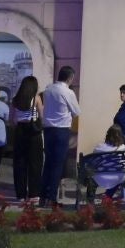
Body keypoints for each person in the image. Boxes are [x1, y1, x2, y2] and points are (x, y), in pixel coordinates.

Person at [40, 65, 81, 204]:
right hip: (61, 130)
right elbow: (76, 111)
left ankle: (42, 196)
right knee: (58, 165)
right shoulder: (67, 92)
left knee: (48, 163)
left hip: (48, 130)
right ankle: (51, 197)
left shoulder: (48, 89)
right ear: (70, 78)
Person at [10, 75, 45, 205]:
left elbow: (11, 120)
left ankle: (20, 195)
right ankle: (34, 194)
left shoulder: (15, 100)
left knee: (19, 163)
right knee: (35, 163)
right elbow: (42, 116)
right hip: (34, 133)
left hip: (20, 132)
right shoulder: (36, 99)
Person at [90, 125, 125, 199]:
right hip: (115, 178)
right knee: (122, 175)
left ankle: (90, 199)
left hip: (99, 178)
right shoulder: (122, 148)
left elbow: (93, 163)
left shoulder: (99, 147)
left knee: (92, 176)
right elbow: (124, 166)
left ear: (108, 135)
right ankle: (108, 196)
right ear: (120, 136)